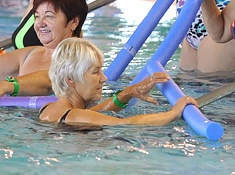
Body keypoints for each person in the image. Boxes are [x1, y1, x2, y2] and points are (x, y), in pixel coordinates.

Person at [39, 38, 197, 127]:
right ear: (71, 80)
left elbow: (94, 114)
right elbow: (128, 124)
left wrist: (128, 93)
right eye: (95, 72)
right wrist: (174, 112)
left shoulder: (48, 109)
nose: (104, 78)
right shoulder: (75, 116)